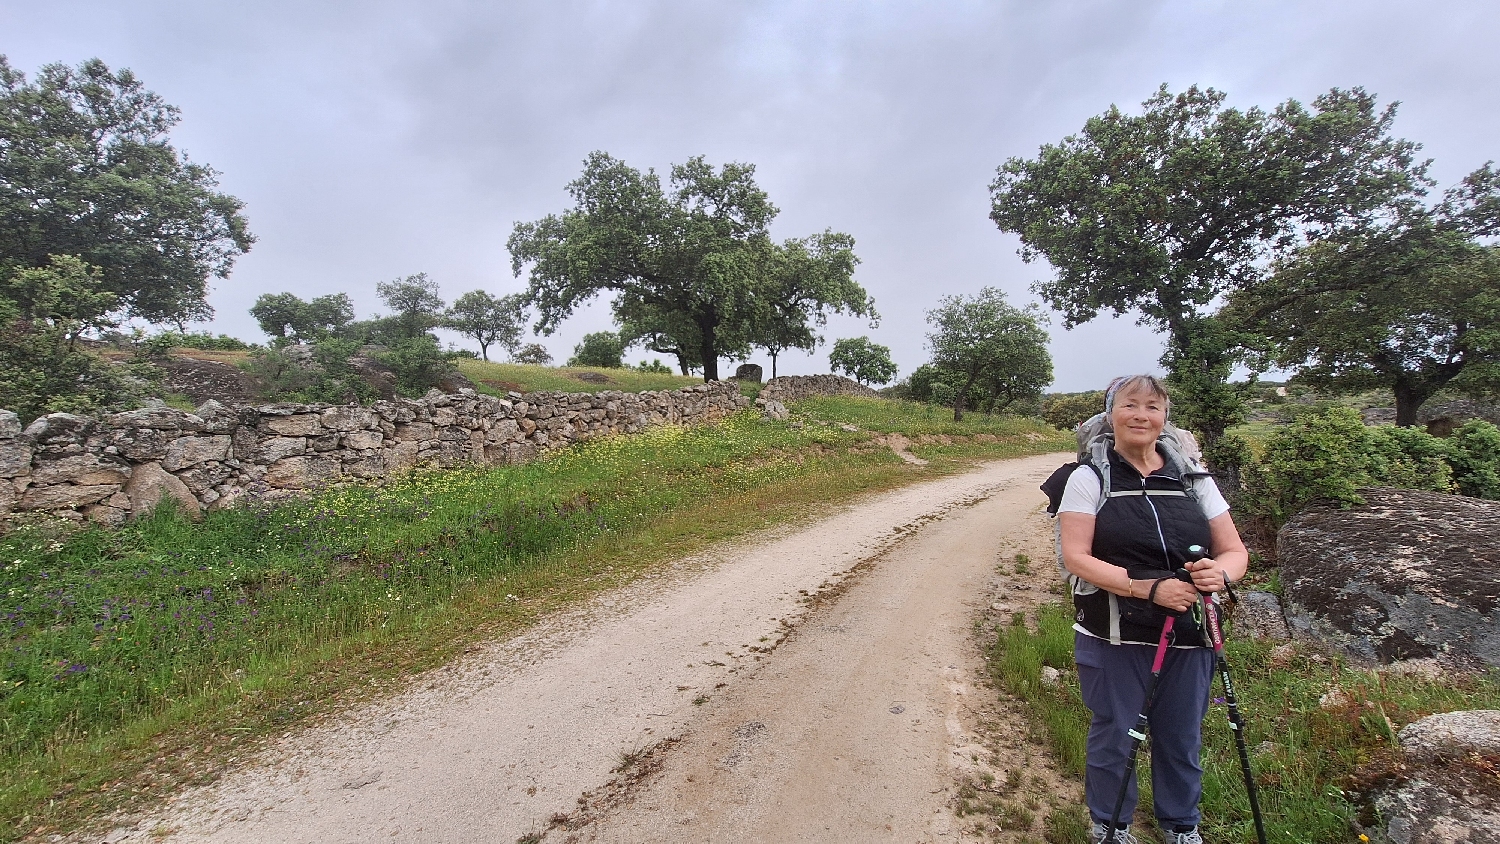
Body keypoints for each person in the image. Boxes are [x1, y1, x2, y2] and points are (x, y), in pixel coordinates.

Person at [1056, 375, 1249, 844]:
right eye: (1130, 405)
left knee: (1181, 737)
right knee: (1115, 734)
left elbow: (1235, 552)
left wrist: (1219, 575)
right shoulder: (1088, 478)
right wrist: (1147, 589)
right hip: (1113, 633)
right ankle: (1111, 824)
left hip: (1190, 631)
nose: (1142, 415)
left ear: (1165, 418)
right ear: (1111, 415)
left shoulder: (1194, 479)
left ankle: (1181, 826)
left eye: (1153, 407)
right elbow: (1076, 557)